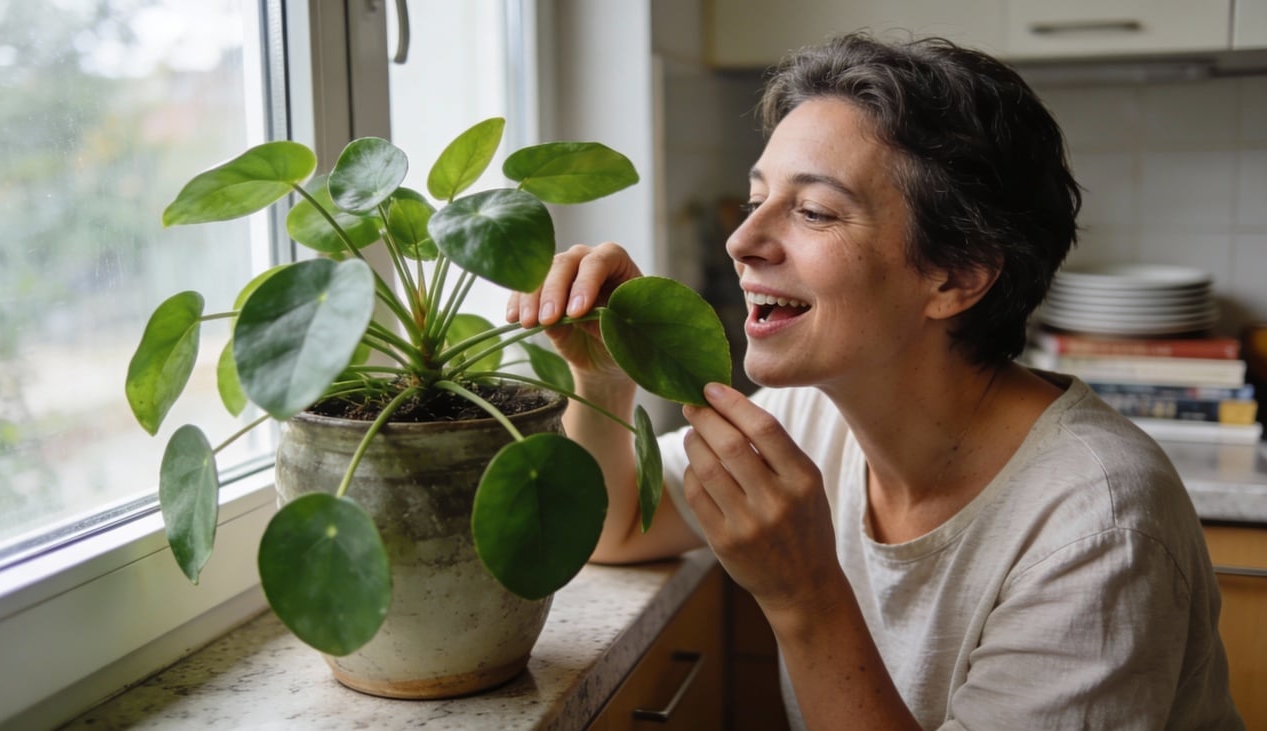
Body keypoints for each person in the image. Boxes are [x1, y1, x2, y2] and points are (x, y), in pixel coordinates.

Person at [507, 32, 1243, 730]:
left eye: (814, 211)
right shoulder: (812, 413)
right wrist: (603, 379)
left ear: (955, 276)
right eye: (757, 194)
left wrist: (806, 597)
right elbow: (616, 523)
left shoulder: (1099, 523)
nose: (742, 240)